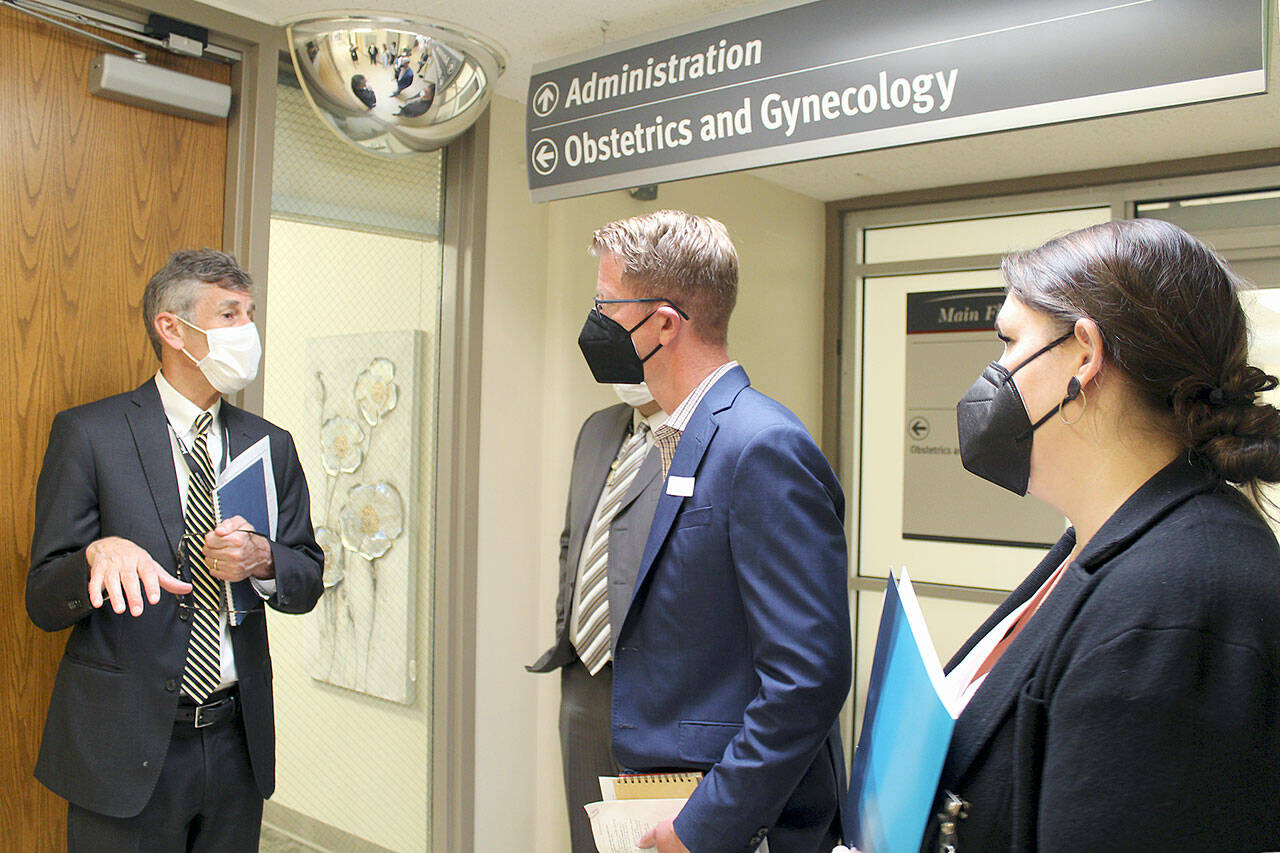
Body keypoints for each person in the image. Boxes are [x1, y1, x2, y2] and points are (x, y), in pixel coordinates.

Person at [932, 218, 1280, 850]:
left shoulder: (1178, 600)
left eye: (1010, 342)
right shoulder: (1099, 539)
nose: (997, 371)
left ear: (1086, 355)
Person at [27, 249, 325, 851]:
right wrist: (94, 556)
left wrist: (263, 559)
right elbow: (42, 597)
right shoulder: (91, 434)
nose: (248, 332)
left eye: (250, 315)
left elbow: (308, 577)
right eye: (229, 315)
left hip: (236, 743)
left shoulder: (270, 444)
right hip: (124, 744)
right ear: (172, 327)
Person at [578, 210, 851, 853]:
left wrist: (704, 826)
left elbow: (806, 679)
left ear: (664, 324)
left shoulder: (761, 446)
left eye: (605, 306)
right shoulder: (673, 438)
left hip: (734, 826)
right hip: (671, 796)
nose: (593, 324)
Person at [528, 383, 667, 853]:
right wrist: (569, 626)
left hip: (659, 691)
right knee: (589, 839)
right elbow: (574, 540)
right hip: (583, 675)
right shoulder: (598, 429)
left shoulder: (710, 434)